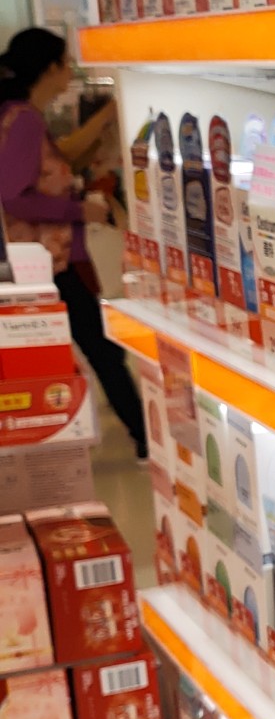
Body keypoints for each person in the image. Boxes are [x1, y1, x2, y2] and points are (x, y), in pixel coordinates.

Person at [0, 27, 147, 455]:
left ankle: (139, 434)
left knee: (94, 348)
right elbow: (14, 195)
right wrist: (79, 211)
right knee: (102, 349)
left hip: (43, 257)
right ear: (50, 68)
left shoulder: (19, 115)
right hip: (50, 259)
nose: (71, 71)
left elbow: (53, 163)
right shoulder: (23, 120)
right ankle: (144, 438)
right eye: (66, 62)